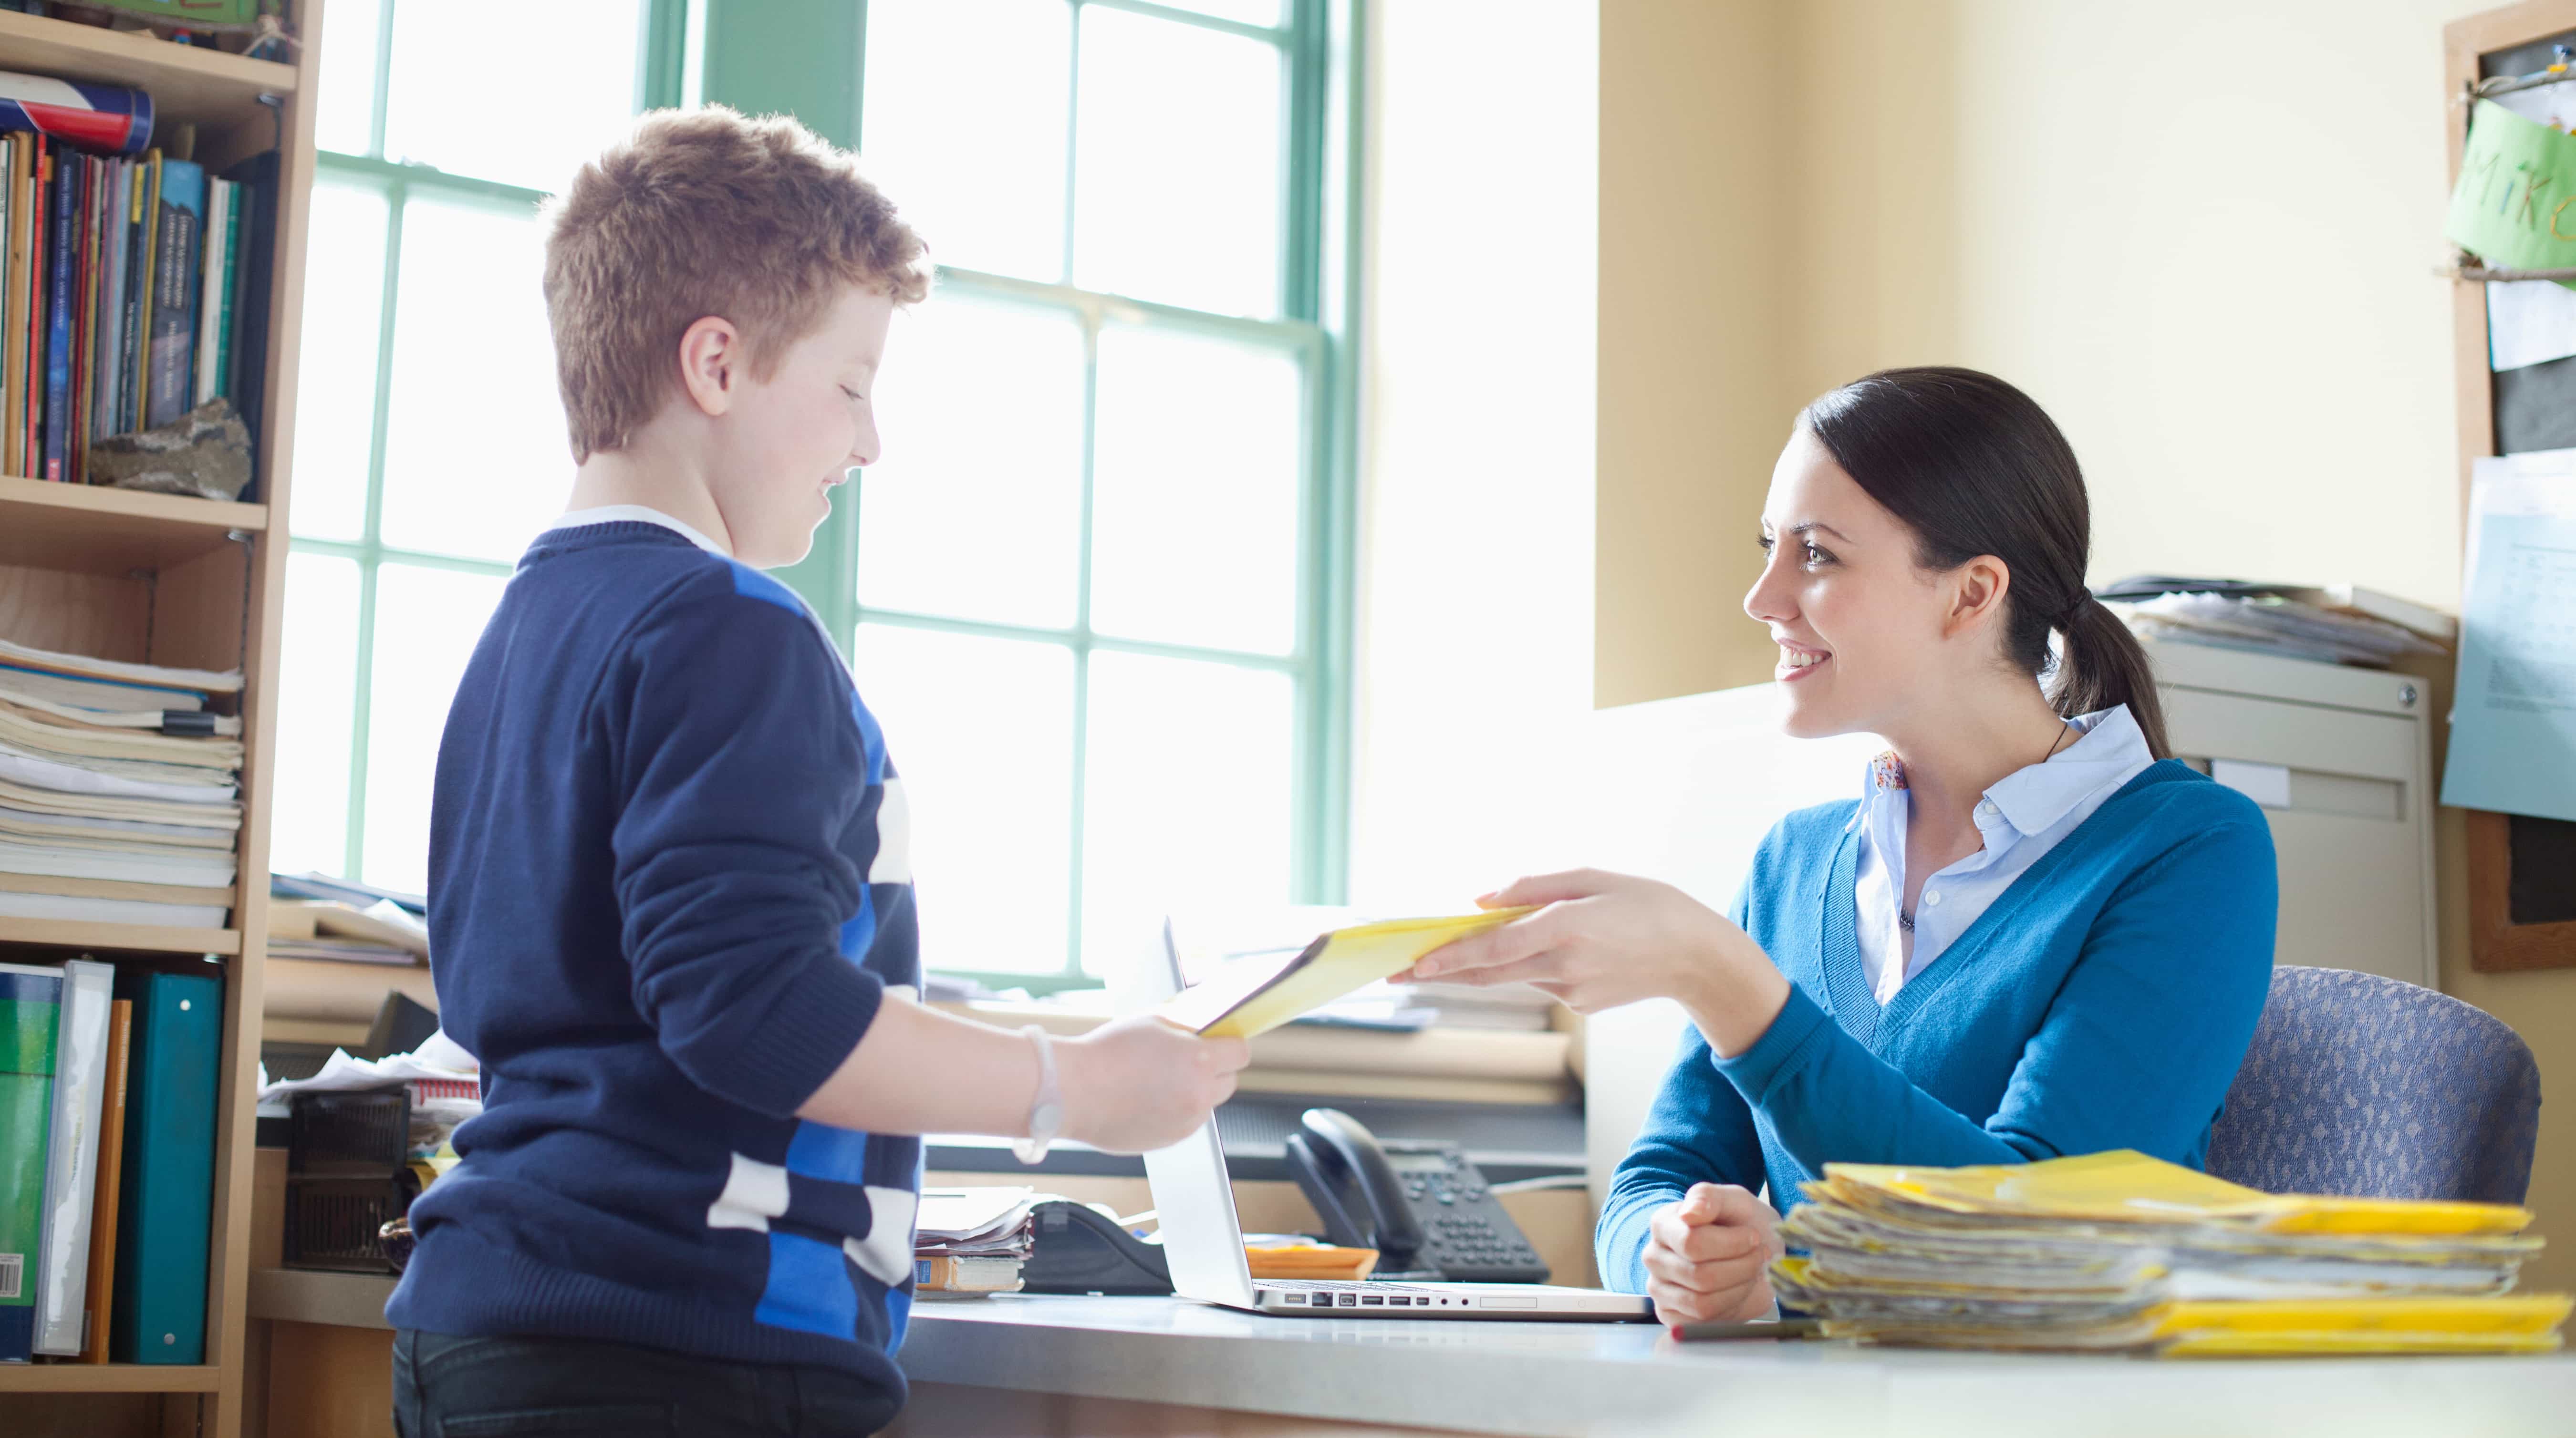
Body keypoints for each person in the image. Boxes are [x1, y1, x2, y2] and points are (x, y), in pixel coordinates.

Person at [385, 108, 1250, 1436]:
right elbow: (754, 1007)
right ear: (717, 365)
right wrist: (1074, 1088)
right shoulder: (729, 629)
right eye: (851, 387)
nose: (870, 444)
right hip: (680, 1350)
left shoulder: (527, 631)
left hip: (493, 1318)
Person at [1402, 367, 2277, 1328]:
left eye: (1815, 553)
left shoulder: (2190, 847)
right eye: (1769, 547)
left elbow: (2044, 1239)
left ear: (1971, 593)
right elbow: (1657, 1178)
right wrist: (1681, 1253)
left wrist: (1724, 980)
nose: (1763, 596)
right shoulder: (1797, 859)